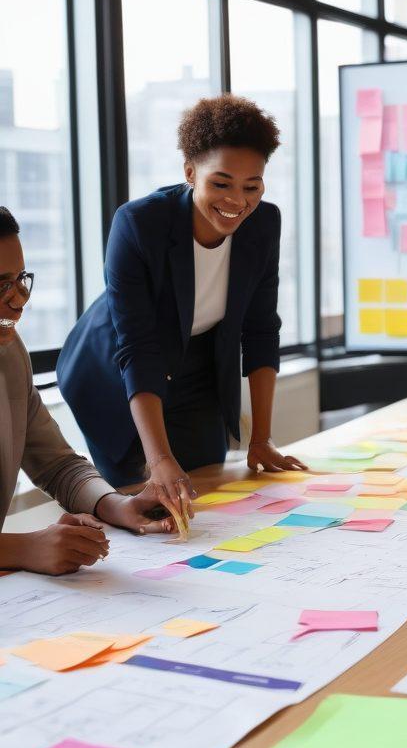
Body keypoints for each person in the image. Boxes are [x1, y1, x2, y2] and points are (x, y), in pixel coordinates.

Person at [57, 95, 306, 517]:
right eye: (221, 183)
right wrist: (158, 460)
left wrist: (261, 437)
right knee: (152, 501)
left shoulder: (264, 223)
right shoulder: (139, 224)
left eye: (252, 186)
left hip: (197, 365)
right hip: (117, 373)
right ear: (190, 172)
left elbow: (261, 329)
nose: (237, 201)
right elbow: (137, 346)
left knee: (208, 488)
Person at [0, 208, 184, 575]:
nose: (19, 299)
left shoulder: (10, 352)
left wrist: (117, 505)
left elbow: (56, 463)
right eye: (0, 285)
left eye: (21, 279)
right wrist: (23, 548)